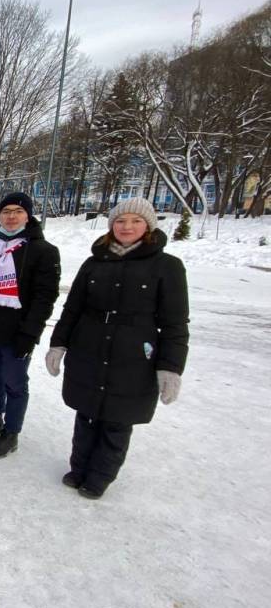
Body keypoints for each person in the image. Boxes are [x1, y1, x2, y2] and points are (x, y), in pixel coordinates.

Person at [46, 197, 189, 499]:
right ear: (111, 226)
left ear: (148, 226)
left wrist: (170, 368)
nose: (127, 226)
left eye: (135, 221)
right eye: (121, 221)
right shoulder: (95, 263)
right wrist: (58, 343)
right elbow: (72, 309)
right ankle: (79, 467)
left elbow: (175, 324)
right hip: (89, 349)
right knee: (86, 415)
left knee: (116, 420)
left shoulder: (167, 267)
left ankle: (99, 477)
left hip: (134, 356)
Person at [0, 192, 61, 459]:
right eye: (6, 211)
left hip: (17, 330)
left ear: (28, 215)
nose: (11, 216)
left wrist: (30, 332)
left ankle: (11, 433)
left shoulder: (43, 250)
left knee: (15, 383)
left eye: (17, 211)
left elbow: (45, 297)